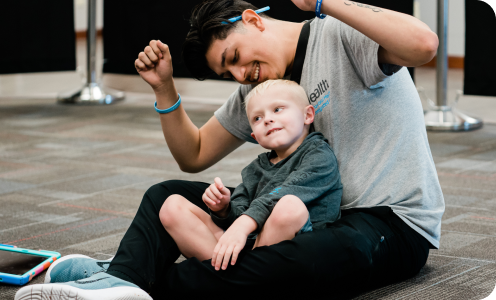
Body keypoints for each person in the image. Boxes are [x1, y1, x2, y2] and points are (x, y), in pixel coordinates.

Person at [16, 0, 445, 299]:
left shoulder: (336, 35)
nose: (241, 74)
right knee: (166, 195)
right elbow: (195, 154)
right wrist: (165, 89)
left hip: (386, 224)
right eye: (230, 71)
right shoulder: (257, 88)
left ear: (252, 20)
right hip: (301, 220)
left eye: (236, 56)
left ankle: (131, 278)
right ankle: (125, 279)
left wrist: (323, 0)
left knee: (303, 263)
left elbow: (423, 45)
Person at [159, 80, 342, 271]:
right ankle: (238, 278)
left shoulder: (319, 156)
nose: (267, 119)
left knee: (289, 206)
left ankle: (240, 277)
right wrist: (224, 209)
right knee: (172, 206)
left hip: (298, 252)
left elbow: (280, 196)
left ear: (307, 115)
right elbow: (239, 215)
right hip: (251, 246)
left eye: (278, 109)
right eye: (257, 118)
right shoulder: (254, 168)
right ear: (255, 137)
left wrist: (242, 226)